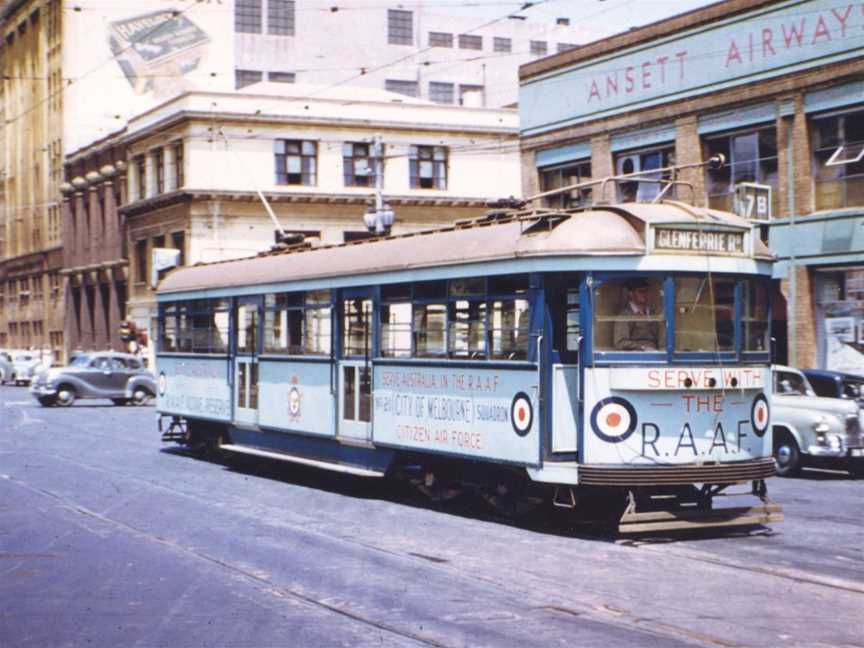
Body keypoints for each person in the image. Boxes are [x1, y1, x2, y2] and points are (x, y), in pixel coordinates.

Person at [613, 278, 660, 351]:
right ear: (631, 294)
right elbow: (620, 342)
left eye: (647, 291)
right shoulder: (625, 315)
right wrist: (642, 348)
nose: (645, 294)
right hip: (637, 357)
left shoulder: (652, 313)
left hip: (656, 355)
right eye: (641, 291)